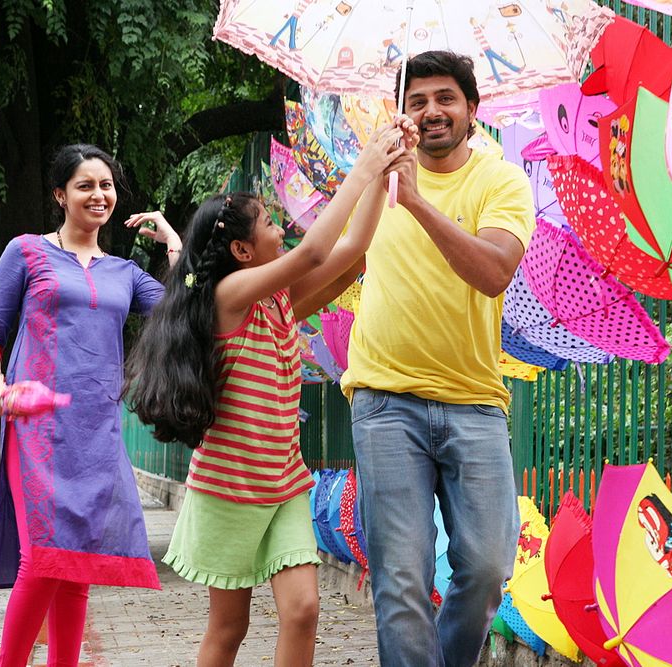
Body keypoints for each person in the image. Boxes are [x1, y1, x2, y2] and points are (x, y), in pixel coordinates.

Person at [124, 120, 415, 667]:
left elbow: (353, 249)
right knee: (229, 628)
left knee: (303, 611)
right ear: (241, 249)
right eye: (269, 223)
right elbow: (314, 254)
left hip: (284, 485)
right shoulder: (229, 296)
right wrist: (364, 164)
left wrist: (384, 174)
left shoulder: (277, 303)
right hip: (229, 489)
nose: (282, 229)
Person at [341, 50, 535, 667]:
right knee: (401, 576)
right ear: (402, 113)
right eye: (417, 100)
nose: (431, 111)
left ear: (472, 109)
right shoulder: (374, 180)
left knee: (486, 568)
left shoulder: (501, 182)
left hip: (474, 402)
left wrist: (417, 201)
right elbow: (334, 259)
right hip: (383, 399)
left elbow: (493, 271)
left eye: (445, 98)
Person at [0, 143, 181, 667]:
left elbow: (185, 312)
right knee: (42, 560)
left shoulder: (125, 273)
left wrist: (175, 245)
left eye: (106, 185)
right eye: (85, 185)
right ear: (60, 195)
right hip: (37, 428)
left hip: (97, 430)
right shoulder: (25, 251)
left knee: (77, 567)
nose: (98, 195)